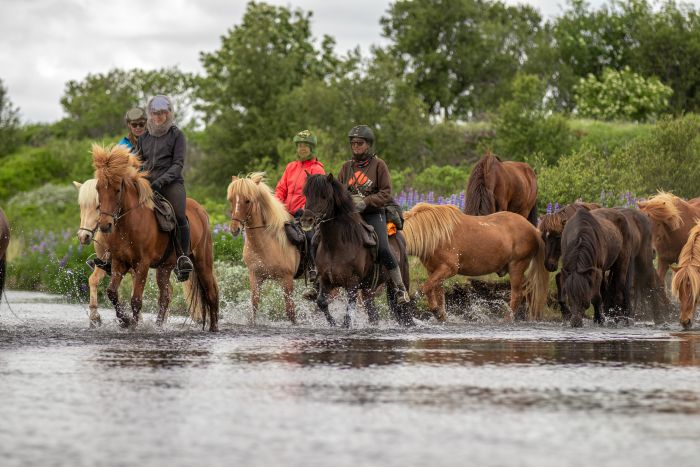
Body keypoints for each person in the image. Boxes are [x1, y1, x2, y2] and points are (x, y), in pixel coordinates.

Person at [336, 124, 410, 304]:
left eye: (359, 143)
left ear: (368, 145)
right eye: (353, 144)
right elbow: (337, 190)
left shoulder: (379, 165)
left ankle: (400, 288)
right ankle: (319, 280)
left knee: (384, 247)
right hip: (350, 215)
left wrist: (366, 202)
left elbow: (385, 192)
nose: (356, 147)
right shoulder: (346, 167)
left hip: (373, 213)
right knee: (324, 238)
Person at [137, 95, 193, 282]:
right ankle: (110, 256)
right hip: (147, 183)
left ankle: (183, 257)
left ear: (168, 114)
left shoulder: (177, 135)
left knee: (178, 215)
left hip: (171, 183)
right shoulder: (143, 137)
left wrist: (160, 181)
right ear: (150, 115)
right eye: (154, 113)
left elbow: (178, 164)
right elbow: (139, 162)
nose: (158, 117)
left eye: (162, 113)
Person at [274, 130, 325, 299]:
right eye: (300, 146)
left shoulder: (317, 169)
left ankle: (312, 270)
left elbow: (317, 196)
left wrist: (304, 209)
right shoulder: (291, 167)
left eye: (305, 146)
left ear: (312, 148)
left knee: (309, 236)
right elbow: (281, 188)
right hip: (286, 213)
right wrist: (277, 206)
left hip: (305, 215)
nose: (302, 149)